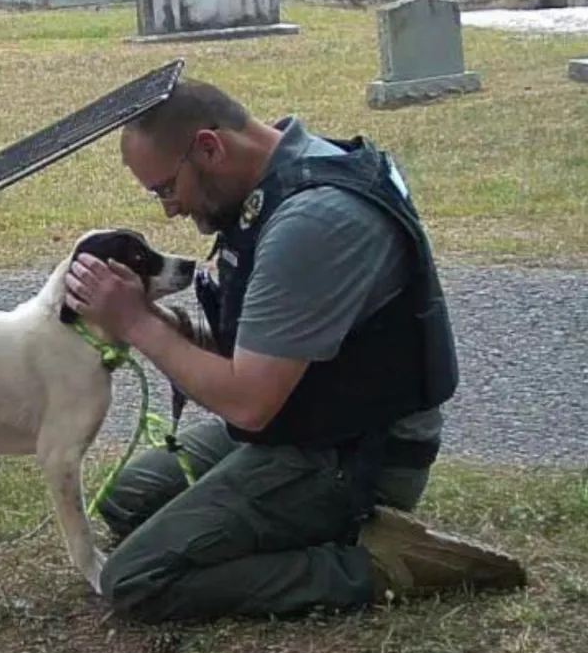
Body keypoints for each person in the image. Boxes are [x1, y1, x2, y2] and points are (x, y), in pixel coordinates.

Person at [61, 76, 526, 624]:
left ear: (209, 148)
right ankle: (268, 525)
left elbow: (248, 402)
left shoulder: (311, 221)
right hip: (305, 419)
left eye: (164, 188)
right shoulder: (284, 174)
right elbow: (257, 355)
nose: (168, 209)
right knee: (129, 499)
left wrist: (138, 323)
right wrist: (163, 323)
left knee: (136, 581)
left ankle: (372, 562)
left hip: (356, 458)